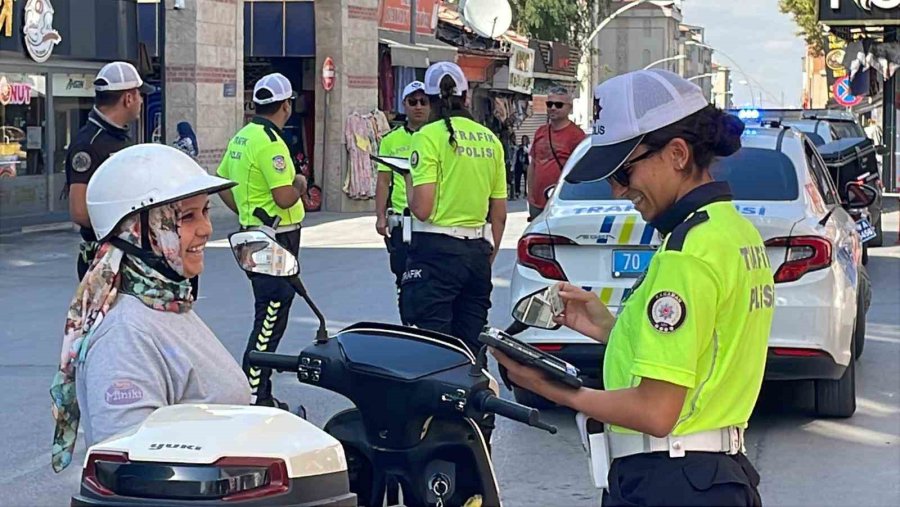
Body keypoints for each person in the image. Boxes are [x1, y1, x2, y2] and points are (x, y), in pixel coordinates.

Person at [494, 70, 774, 506]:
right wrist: (611, 328)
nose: (617, 189)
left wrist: (554, 389)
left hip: (672, 482)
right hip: (711, 478)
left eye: (624, 172)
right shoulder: (733, 232)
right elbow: (707, 352)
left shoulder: (685, 253)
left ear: (678, 154)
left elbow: (655, 411)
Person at [49, 144, 249, 473]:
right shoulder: (125, 338)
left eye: (206, 211)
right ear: (140, 233)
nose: (206, 229)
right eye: (187, 217)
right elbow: (131, 473)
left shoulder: (167, 303)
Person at [400, 61, 507, 355]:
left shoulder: (426, 137)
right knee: (472, 351)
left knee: (434, 352)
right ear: (466, 97)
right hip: (476, 254)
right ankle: (476, 399)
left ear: (432, 99)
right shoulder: (491, 140)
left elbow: (422, 208)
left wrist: (408, 179)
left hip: (436, 254)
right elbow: (498, 213)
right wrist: (488, 256)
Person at [216, 72, 307, 407]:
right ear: (286, 105)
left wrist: (244, 212)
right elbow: (284, 197)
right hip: (273, 239)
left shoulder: (243, 136)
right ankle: (256, 395)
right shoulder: (270, 143)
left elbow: (222, 181)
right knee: (270, 317)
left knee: (269, 311)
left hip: (253, 234)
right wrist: (299, 182)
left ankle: (259, 391)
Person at [66, 61, 154, 280]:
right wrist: (124, 228)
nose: (142, 101)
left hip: (124, 252)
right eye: (140, 95)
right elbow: (79, 211)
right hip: (103, 256)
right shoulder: (89, 143)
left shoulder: (119, 137)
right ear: (128, 98)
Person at [375, 81, 431, 313]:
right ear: (404, 105)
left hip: (432, 221)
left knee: (429, 279)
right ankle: (407, 321)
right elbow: (383, 181)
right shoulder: (390, 140)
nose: (418, 107)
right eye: (413, 102)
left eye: (423, 102)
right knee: (402, 276)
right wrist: (380, 216)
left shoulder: (437, 137)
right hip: (402, 219)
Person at [527, 86, 586, 219]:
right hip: (537, 203)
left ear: (569, 108)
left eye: (558, 105)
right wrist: (530, 195)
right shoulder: (540, 132)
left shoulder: (576, 135)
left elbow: (580, 171)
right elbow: (533, 165)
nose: (553, 108)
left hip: (561, 203)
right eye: (550, 104)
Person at [513, 135, 530, 199]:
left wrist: (525, 147)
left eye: (525, 139)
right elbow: (515, 155)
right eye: (523, 139)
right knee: (517, 179)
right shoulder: (519, 147)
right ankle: (517, 192)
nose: (524, 141)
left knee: (527, 180)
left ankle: (526, 192)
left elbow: (529, 152)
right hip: (519, 165)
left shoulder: (529, 147)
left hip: (526, 165)